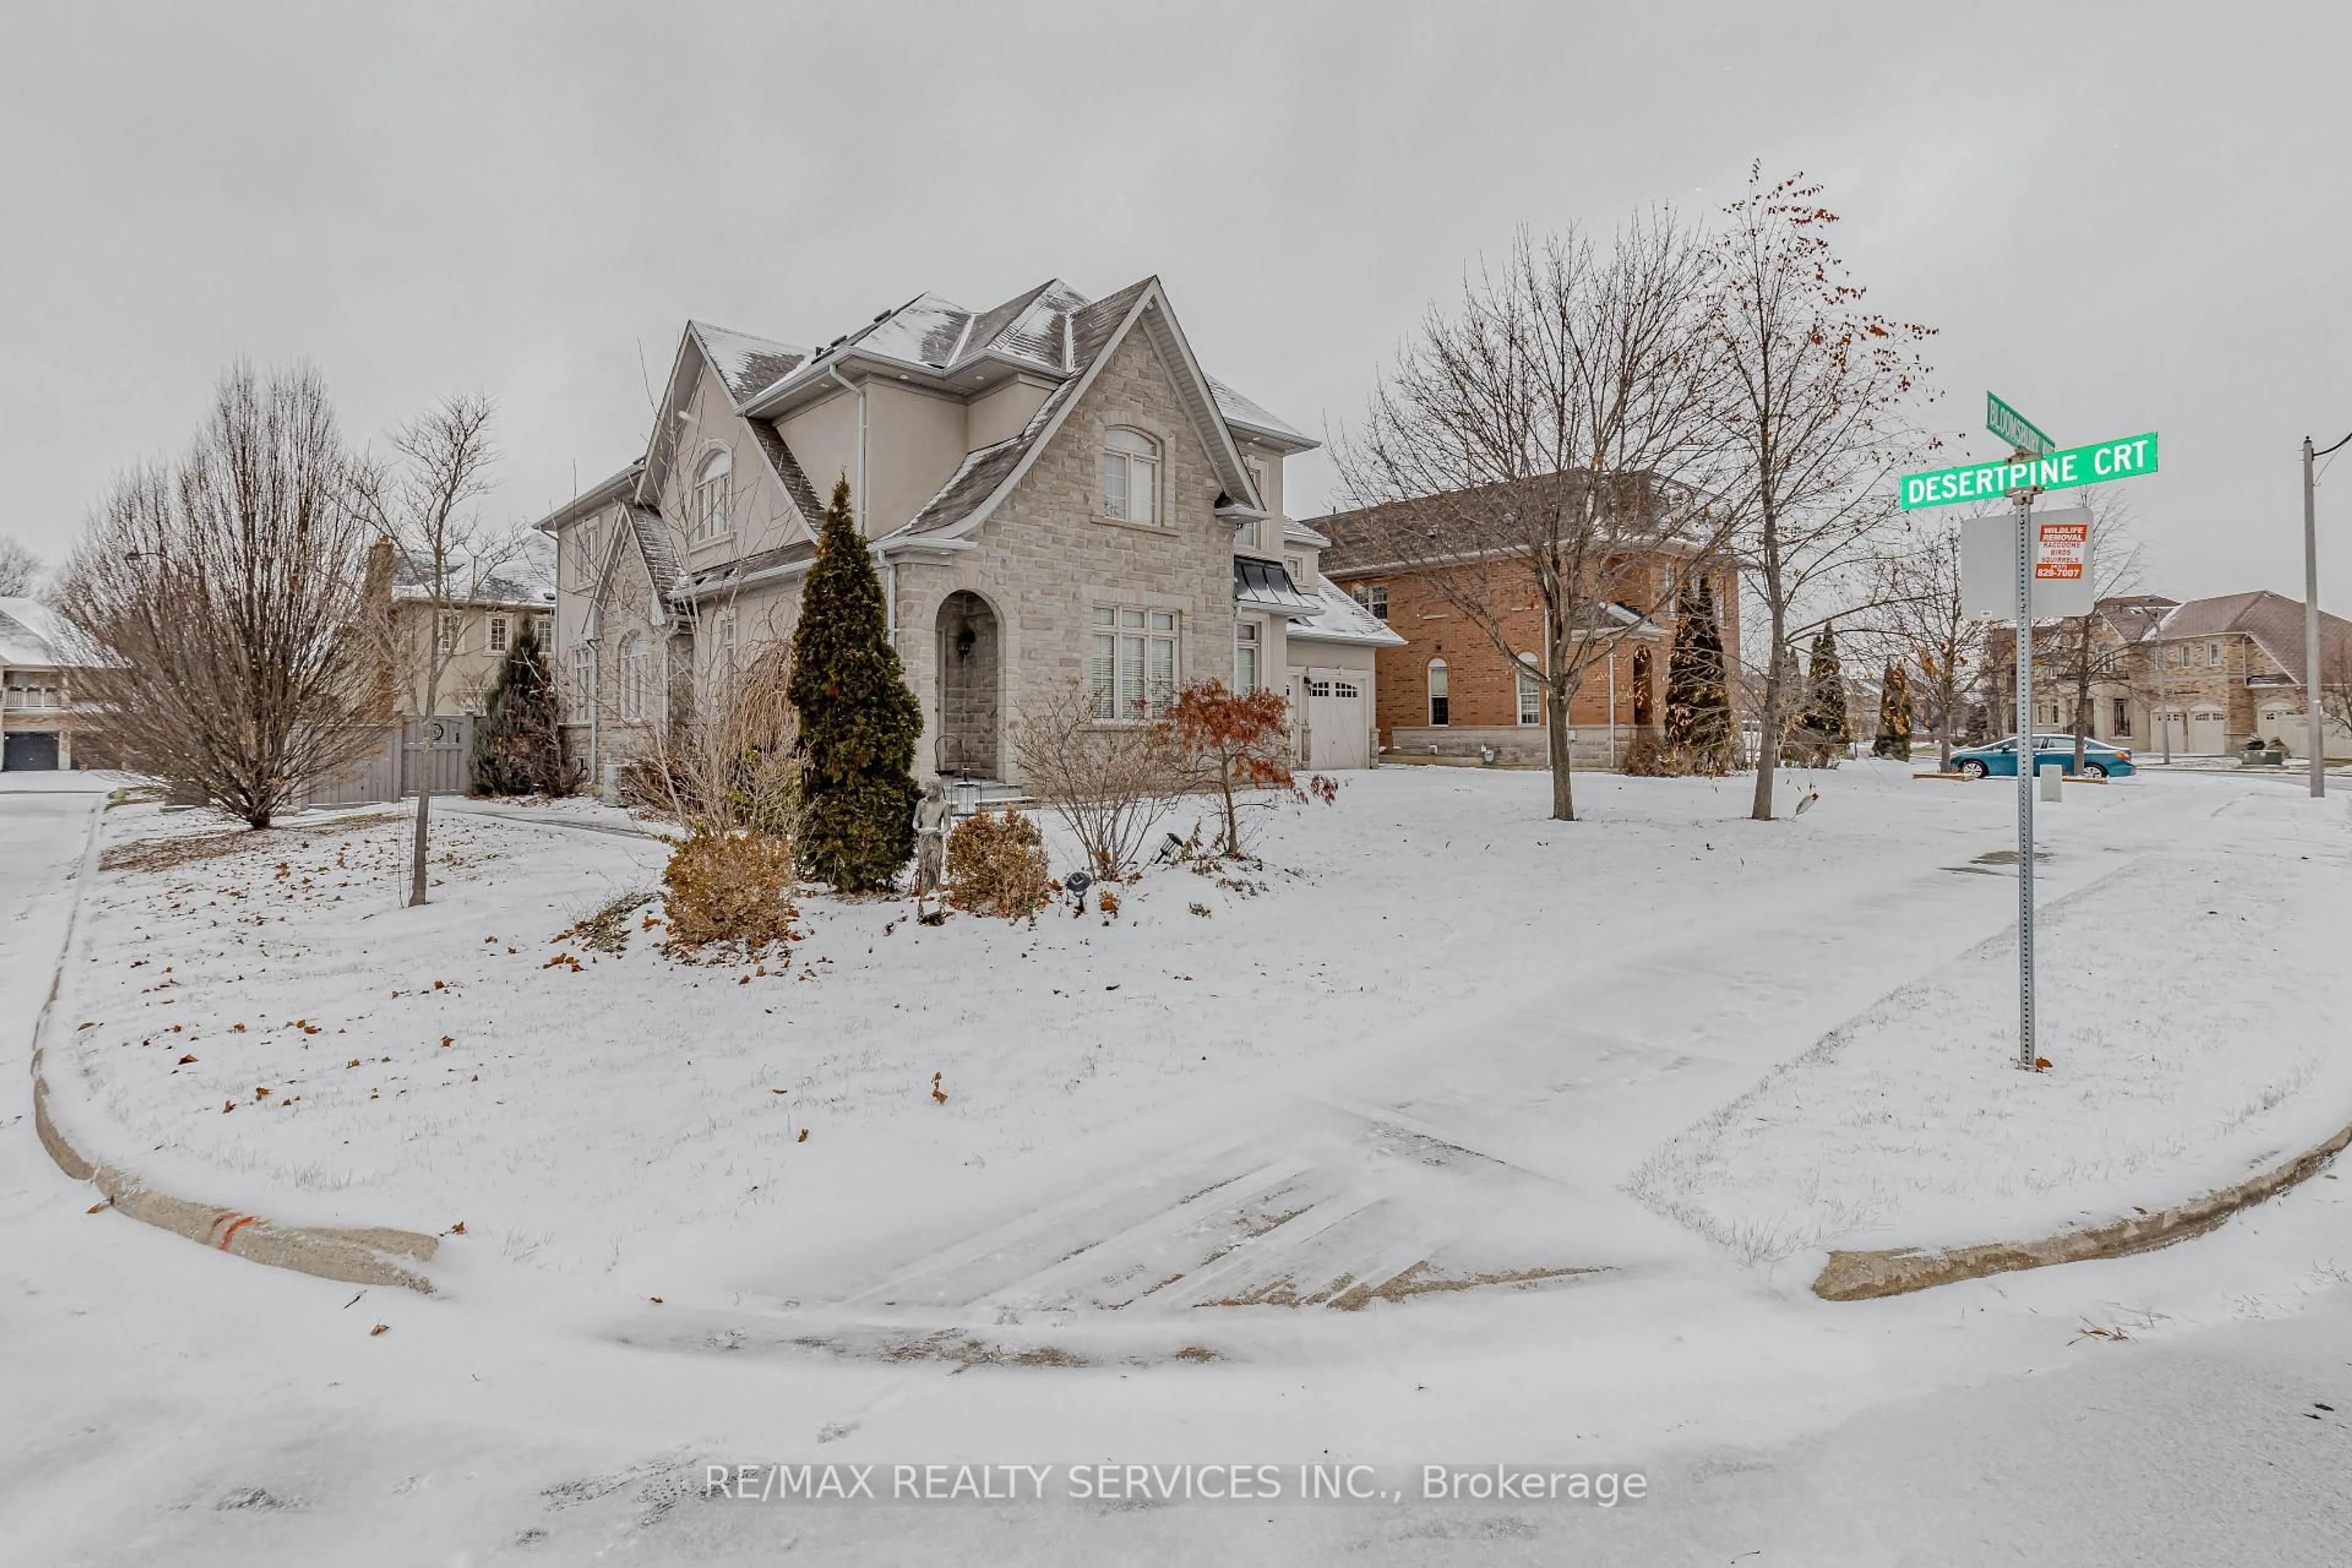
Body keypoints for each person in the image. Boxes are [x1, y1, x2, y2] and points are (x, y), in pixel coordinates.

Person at [912, 778, 951, 898]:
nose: (931, 791)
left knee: (935, 863)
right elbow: (916, 819)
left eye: (934, 789)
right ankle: (924, 888)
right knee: (923, 863)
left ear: (939, 789)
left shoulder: (944, 805)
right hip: (923, 837)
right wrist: (917, 828)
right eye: (929, 789)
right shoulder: (921, 803)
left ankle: (934, 887)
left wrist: (941, 832)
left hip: (935, 838)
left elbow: (947, 824)